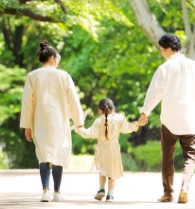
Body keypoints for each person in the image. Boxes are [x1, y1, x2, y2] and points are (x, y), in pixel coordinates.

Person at [138, 33, 195, 204]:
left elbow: (155, 93)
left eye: (161, 49)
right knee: (190, 154)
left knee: (167, 156)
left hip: (169, 118)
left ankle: (168, 193)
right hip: (189, 116)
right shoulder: (193, 65)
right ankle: (185, 187)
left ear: (168, 48)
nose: (161, 52)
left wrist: (145, 111)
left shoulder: (164, 68)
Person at [20, 41, 84, 202]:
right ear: (51, 58)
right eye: (57, 59)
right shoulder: (64, 76)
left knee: (43, 155)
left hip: (39, 122)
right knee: (59, 154)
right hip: (59, 121)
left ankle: (45, 191)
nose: (58, 62)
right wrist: (79, 122)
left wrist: (27, 125)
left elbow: (28, 102)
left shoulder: (32, 76)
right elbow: (73, 101)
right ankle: (57, 192)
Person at [75, 98, 139, 202]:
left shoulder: (99, 120)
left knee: (103, 170)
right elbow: (127, 128)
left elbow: (89, 133)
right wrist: (136, 124)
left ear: (100, 110)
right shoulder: (119, 118)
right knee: (112, 172)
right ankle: (110, 195)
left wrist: (79, 130)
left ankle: (101, 189)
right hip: (113, 148)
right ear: (113, 108)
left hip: (102, 148)